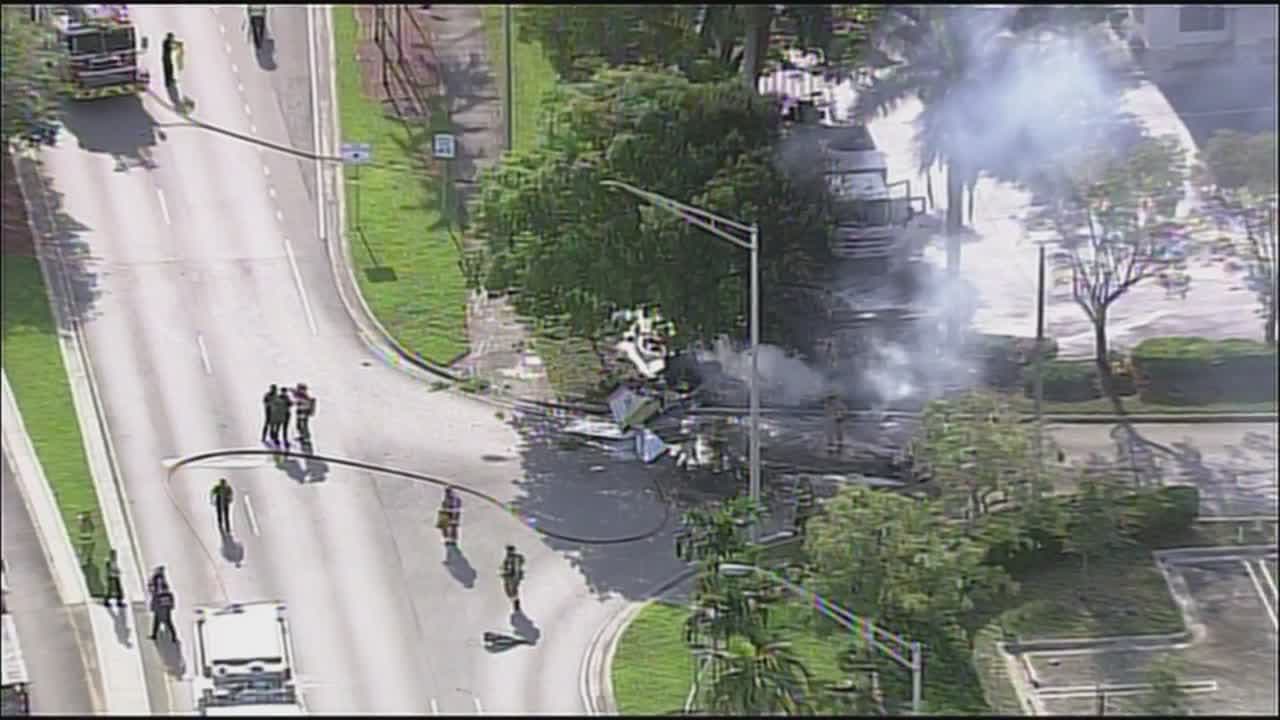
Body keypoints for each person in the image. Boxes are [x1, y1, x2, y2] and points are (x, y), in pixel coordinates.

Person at [500, 545, 525, 613]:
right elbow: (504, 567)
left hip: (512, 577)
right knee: (509, 592)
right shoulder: (508, 558)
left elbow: (515, 569)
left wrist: (515, 577)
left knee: (512, 591)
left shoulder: (514, 558)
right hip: (509, 577)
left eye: (509, 551)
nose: (508, 552)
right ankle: (515, 601)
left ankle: (516, 602)